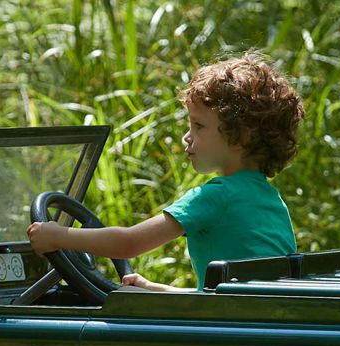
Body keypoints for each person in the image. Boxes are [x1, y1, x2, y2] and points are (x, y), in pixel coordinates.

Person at [26, 54, 305, 291]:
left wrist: (58, 236)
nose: (187, 136)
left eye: (198, 126)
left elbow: (129, 242)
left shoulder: (217, 196)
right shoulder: (271, 201)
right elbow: (224, 301)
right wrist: (155, 289)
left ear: (239, 136)